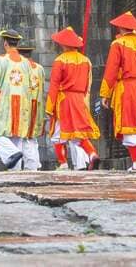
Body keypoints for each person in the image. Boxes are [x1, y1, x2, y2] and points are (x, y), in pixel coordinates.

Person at [99, 11, 136, 171]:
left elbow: (111, 70)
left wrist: (105, 93)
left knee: (129, 126)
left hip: (127, 88)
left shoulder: (118, 44)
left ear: (121, 28)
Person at [45, 27, 101, 171]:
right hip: (80, 99)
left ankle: (63, 163)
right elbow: (88, 83)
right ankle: (92, 153)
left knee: (58, 133)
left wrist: (49, 108)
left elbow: (54, 86)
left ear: (63, 44)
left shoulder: (60, 60)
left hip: (65, 100)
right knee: (78, 132)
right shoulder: (86, 61)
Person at [0, 29, 33, 170]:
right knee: (17, 136)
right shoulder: (26, 62)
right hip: (22, 102)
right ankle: (15, 172)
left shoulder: (1, 60)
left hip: (6, 101)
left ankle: (13, 153)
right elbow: (31, 83)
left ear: (5, 43)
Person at [17, 44, 46, 171]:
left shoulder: (22, 67)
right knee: (32, 137)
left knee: (25, 137)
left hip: (26, 106)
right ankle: (36, 163)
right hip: (37, 106)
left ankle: (31, 165)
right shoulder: (39, 68)